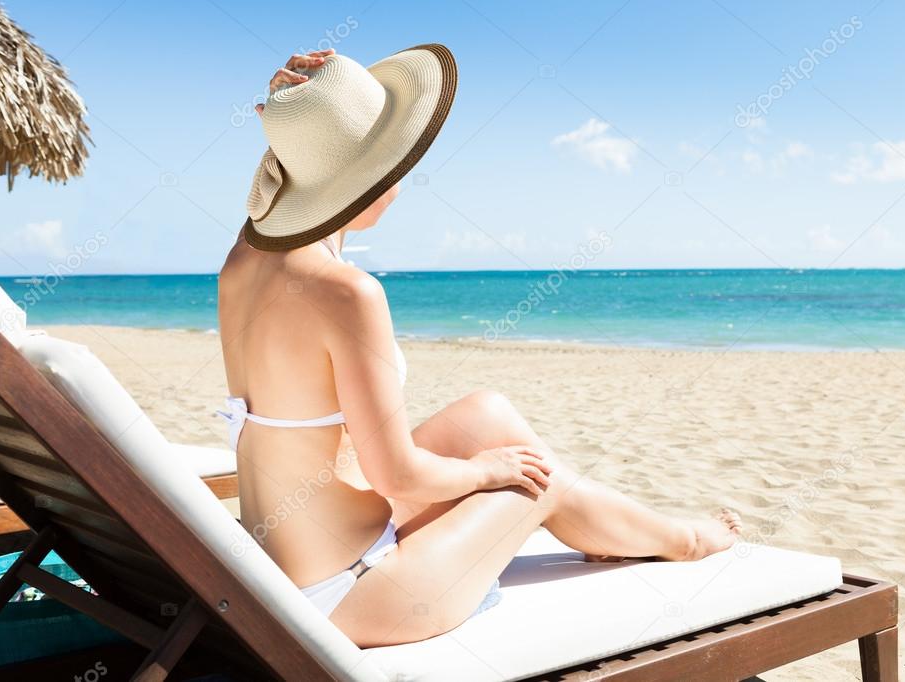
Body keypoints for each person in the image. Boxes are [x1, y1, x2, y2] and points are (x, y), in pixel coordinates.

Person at [218, 44, 741, 648]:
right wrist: (483, 470)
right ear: (362, 176)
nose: (403, 177)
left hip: (290, 565)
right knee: (536, 480)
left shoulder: (243, 260)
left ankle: (634, 533)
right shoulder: (347, 293)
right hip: (351, 592)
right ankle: (683, 540)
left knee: (488, 411)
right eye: (395, 161)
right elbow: (398, 474)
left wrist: (298, 117)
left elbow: (282, 193)